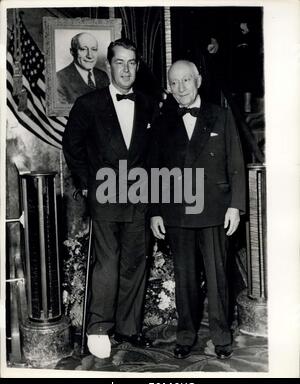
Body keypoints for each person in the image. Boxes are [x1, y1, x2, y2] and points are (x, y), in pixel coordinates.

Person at [63, 38, 158, 359]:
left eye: (132, 62)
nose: (127, 69)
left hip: (141, 195)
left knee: (135, 263)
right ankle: (98, 328)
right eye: (120, 62)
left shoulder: (149, 103)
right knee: (107, 264)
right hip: (104, 194)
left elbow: (156, 153)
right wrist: (87, 184)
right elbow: (72, 147)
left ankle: (129, 328)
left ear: (138, 66)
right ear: (109, 66)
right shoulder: (89, 104)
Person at [150, 60, 246, 360]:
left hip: (216, 211)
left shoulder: (221, 116)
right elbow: (154, 171)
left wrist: (236, 206)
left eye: (186, 81)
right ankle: (186, 335)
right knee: (185, 278)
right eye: (174, 83)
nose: (180, 89)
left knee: (218, 277)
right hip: (177, 212)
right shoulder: (163, 120)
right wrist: (155, 211)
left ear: (198, 80)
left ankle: (220, 336)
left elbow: (236, 165)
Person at [57, 32, 109, 104]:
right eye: (83, 49)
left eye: (94, 49)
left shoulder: (103, 76)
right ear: (72, 52)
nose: (90, 55)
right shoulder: (60, 78)